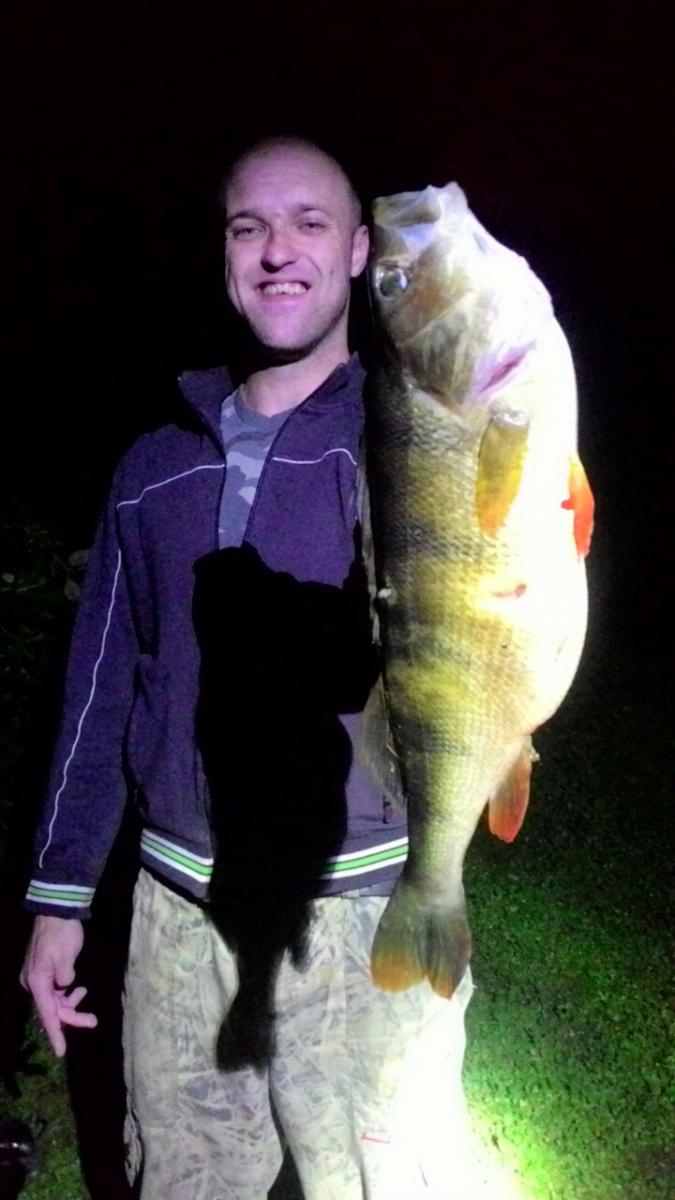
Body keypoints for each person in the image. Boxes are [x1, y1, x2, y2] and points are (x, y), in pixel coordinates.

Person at [20, 135, 474, 1200]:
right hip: (177, 910)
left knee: (378, 1181)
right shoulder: (152, 467)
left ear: (358, 251)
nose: (278, 251)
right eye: (248, 227)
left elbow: (486, 595)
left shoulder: (410, 441)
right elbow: (101, 687)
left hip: (360, 902)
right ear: (222, 254)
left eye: (310, 223)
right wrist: (60, 895)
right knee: (183, 1180)